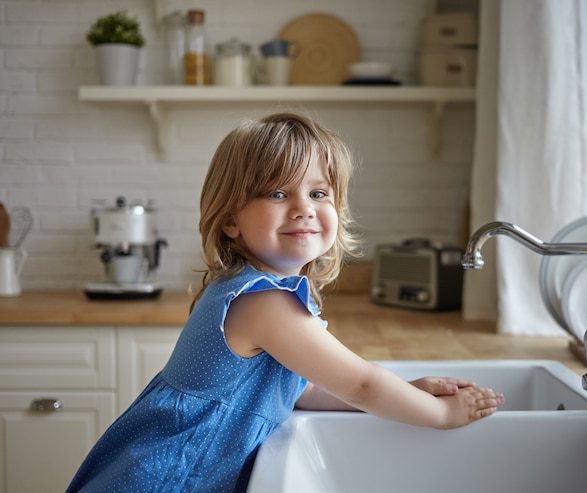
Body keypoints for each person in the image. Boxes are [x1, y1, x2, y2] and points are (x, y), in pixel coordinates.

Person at [66, 112, 504, 492]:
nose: (303, 208)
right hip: (165, 479)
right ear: (231, 221)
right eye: (278, 194)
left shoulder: (256, 290)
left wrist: (409, 392)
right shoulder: (263, 302)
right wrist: (441, 415)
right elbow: (362, 384)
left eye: (318, 194)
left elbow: (305, 389)